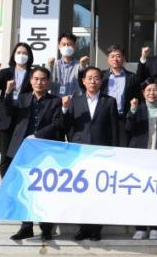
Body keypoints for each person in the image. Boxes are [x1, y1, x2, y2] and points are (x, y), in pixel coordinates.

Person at [3, 66, 62, 241]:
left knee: (46, 189)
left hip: (45, 150)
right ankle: (26, 226)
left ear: (48, 82)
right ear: (30, 81)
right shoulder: (22, 99)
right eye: (36, 79)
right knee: (24, 188)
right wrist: (8, 93)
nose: (39, 82)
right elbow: (7, 113)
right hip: (22, 149)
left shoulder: (55, 101)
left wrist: (38, 135)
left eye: (43, 79)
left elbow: (57, 123)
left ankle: (46, 227)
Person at [61, 66, 120, 241]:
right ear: (83, 81)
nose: (93, 81)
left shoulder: (109, 101)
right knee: (81, 191)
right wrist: (64, 110)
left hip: (101, 151)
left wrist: (114, 151)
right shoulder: (75, 101)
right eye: (89, 78)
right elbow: (67, 125)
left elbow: (114, 128)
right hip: (80, 151)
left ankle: (96, 228)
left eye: (96, 78)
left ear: (101, 81)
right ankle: (83, 228)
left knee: (98, 192)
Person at [125, 78, 157, 240]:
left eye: (155, 90)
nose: (152, 93)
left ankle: (155, 227)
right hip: (140, 158)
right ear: (143, 93)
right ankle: (140, 227)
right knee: (140, 195)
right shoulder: (137, 109)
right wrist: (132, 111)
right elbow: (128, 128)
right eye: (148, 90)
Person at [0, 42, 34, 178]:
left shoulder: (32, 74)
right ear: (14, 55)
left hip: (23, 118)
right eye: (18, 52)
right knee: (5, 155)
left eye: (24, 53)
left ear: (29, 56)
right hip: (6, 119)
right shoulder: (6, 73)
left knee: (21, 153)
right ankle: (6, 183)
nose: (21, 55)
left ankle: (20, 181)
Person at [101, 45, 140, 147]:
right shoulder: (101, 76)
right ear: (108, 58)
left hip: (123, 119)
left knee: (122, 147)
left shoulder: (132, 77)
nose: (115, 59)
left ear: (123, 58)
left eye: (118, 56)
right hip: (105, 118)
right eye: (112, 56)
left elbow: (138, 96)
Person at [47, 33, 89, 98]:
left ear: (74, 46)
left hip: (75, 101)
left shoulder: (80, 65)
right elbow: (47, 86)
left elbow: (85, 84)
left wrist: (83, 66)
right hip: (56, 101)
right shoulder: (53, 65)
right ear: (59, 46)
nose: (66, 47)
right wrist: (49, 67)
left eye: (69, 44)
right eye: (63, 44)